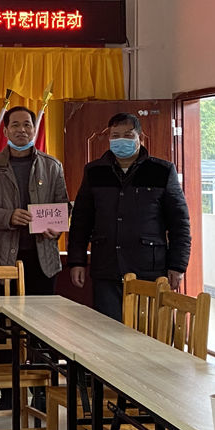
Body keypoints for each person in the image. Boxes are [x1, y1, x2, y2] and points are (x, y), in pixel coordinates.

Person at [0, 105, 69, 411]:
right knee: (6, 327)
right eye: (15, 125)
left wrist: (57, 228)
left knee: (43, 329)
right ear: (5, 130)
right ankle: (8, 394)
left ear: (34, 128)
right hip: (3, 261)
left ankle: (42, 391)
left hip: (42, 260)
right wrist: (8, 216)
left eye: (27, 125)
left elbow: (63, 206)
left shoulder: (52, 166)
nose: (21, 130)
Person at [68, 112, 191, 322]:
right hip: (106, 267)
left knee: (148, 331)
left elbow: (180, 223)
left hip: (149, 268)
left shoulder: (161, 170)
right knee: (107, 331)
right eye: (115, 136)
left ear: (139, 137)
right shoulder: (94, 171)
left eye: (128, 135)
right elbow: (81, 221)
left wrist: (178, 265)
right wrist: (76, 261)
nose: (121, 140)